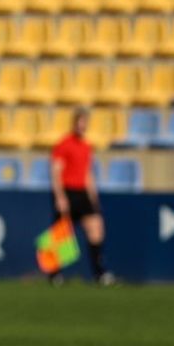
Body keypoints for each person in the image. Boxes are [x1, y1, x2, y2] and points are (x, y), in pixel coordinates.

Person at [49, 107, 115, 286]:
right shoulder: (64, 144)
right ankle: (55, 275)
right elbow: (56, 172)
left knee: (96, 229)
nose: (83, 125)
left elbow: (87, 174)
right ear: (75, 123)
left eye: (85, 122)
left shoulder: (86, 147)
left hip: (82, 193)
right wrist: (60, 197)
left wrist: (94, 197)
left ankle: (99, 273)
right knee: (62, 234)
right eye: (80, 122)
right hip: (68, 191)